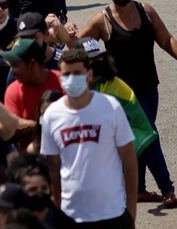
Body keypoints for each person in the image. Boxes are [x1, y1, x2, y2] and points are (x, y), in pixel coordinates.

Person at [77, 0, 177, 208]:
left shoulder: (146, 11)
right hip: (122, 94)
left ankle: (137, 189)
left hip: (149, 86)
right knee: (148, 134)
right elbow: (76, 48)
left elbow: (166, 39)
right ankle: (167, 188)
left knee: (140, 137)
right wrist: (69, 37)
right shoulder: (101, 20)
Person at [39, 46, 138, 227]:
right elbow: (53, 168)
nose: (71, 79)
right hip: (71, 216)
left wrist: (131, 210)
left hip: (112, 213)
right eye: (66, 74)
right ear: (60, 77)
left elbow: (130, 160)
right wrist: (57, 210)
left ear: (89, 74)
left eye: (77, 73)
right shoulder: (52, 115)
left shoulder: (111, 107)